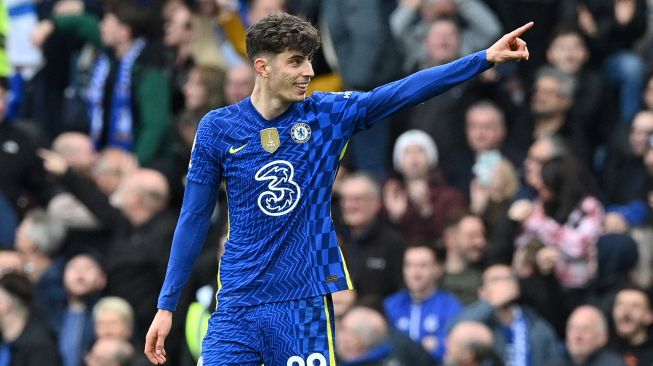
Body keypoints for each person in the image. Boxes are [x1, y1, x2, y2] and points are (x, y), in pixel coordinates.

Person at [145, 12, 533, 365]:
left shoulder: (326, 116)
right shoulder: (217, 128)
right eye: (296, 61)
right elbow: (193, 218)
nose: (309, 71)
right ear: (262, 67)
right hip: (237, 302)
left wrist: (481, 59)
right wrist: (167, 304)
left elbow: (404, 90)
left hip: (303, 300)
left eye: (310, 60)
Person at [384, 243, 462, 361]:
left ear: (438, 269)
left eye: (423, 265)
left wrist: (438, 347)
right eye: (409, 265)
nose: (415, 273)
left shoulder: (451, 306)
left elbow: (454, 349)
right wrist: (424, 346)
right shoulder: (391, 304)